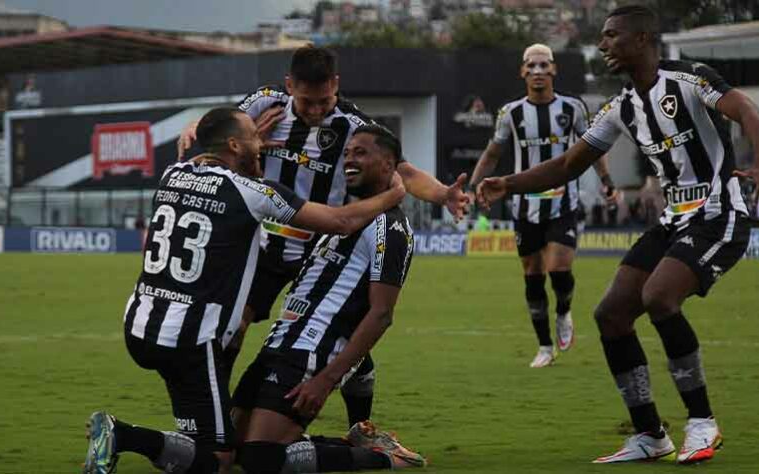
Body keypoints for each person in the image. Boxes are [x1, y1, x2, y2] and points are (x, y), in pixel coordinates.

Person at [477, 5, 759, 464]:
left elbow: (748, 111)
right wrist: (508, 183)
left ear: (641, 39)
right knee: (611, 315)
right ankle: (649, 434)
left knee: (660, 297)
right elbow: (565, 165)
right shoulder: (620, 107)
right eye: (602, 37)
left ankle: (702, 422)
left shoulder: (690, 79)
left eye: (611, 36)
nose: (603, 45)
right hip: (674, 219)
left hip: (720, 214)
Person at [82, 107, 406, 474]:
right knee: (220, 460)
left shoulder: (172, 174)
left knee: (217, 437)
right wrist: (393, 195)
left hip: (141, 326)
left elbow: (217, 173)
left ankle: (133, 437)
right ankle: (121, 435)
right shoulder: (253, 192)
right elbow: (341, 221)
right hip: (189, 338)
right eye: (256, 138)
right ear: (234, 145)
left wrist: (246, 151)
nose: (263, 147)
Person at [177, 46, 469, 429]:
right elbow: (224, 130)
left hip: (322, 248)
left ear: (336, 85)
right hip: (266, 246)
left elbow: (403, 171)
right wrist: (195, 128)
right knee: (234, 327)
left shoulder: (352, 123)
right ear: (288, 86)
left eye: (324, 100)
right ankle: (217, 417)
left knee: (342, 339)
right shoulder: (266, 102)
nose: (316, 110)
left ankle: (360, 428)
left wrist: (443, 193)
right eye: (307, 101)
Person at [232, 124, 424, 474]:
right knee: (228, 450)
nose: (350, 158)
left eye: (361, 152)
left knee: (259, 459)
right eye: (348, 153)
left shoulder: (389, 229)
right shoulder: (342, 218)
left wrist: (326, 379)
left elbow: (381, 314)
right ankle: (360, 443)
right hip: (276, 347)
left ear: (388, 166)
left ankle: (383, 459)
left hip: (310, 355)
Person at [469, 43, 618, 368]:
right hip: (523, 207)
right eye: (531, 66)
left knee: (559, 269)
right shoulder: (511, 113)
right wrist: (472, 186)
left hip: (563, 202)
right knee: (533, 275)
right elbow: (493, 152)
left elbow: (593, 147)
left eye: (543, 65)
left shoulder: (573, 108)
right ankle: (545, 346)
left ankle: (564, 312)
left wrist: (606, 180)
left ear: (553, 70)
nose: (538, 71)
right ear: (523, 72)